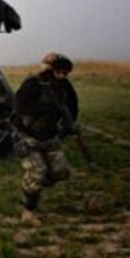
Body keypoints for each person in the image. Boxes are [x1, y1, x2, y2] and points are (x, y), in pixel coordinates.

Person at [12, 53, 79, 225]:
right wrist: (45, 109)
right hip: (28, 136)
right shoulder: (33, 83)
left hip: (50, 136)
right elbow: (19, 107)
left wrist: (66, 127)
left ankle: (34, 190)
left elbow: (72, 107)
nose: (62, 76)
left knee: (61, 172)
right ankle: (28, 211)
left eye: (65, 73)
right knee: (37, 173)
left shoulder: (64, 86)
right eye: (58, 71)